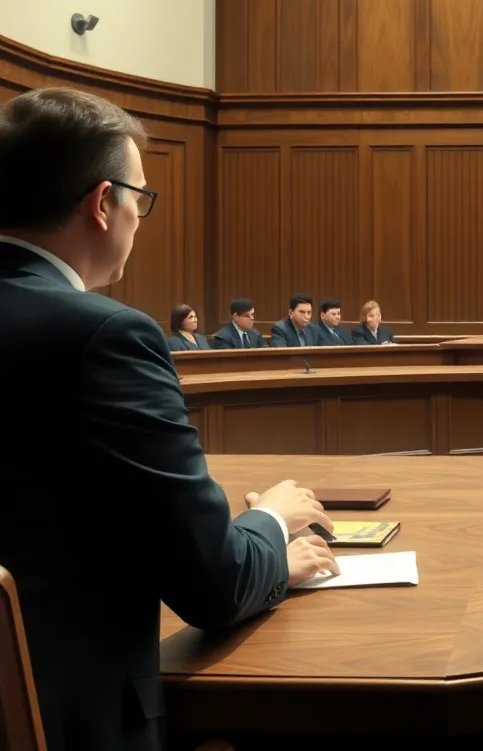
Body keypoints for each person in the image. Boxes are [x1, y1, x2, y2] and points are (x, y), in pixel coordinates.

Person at [0, 88, 339, 751]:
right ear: (103, 203)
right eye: (140, 197)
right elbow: (214, 585)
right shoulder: (105, 337)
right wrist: (273, 525)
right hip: (65, 718)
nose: (139, 216)